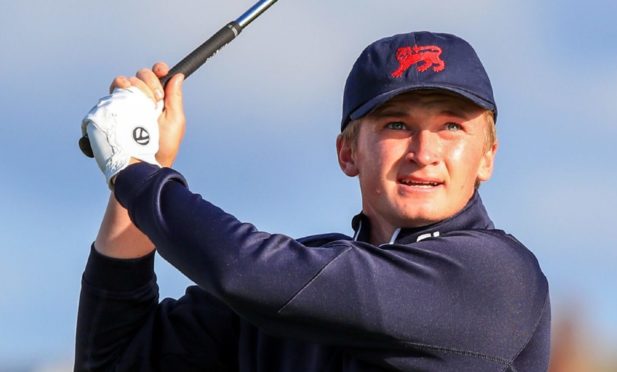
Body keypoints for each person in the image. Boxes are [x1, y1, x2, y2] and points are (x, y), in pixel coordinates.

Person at [75, 31, 550, 371]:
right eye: (397, 125)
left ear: (487, 156)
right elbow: (114, 358)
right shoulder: (296, 285)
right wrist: (144, 163)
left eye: (451, 127)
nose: (424, 154)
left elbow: (246, 270)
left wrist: (133, 171)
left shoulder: (497, 276)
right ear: (348, 153)